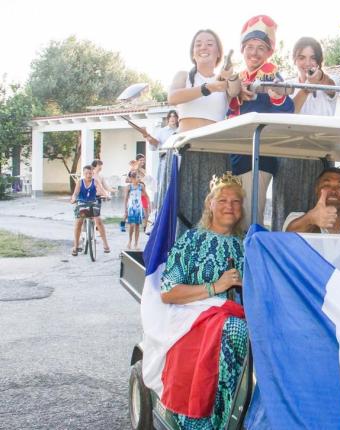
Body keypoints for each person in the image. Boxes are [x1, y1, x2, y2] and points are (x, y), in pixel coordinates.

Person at [160, 172, 246, 430]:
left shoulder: (245, 245)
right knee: (236, 331)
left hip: (232, 312)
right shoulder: (191, 241)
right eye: (222, 200)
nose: (229, 206)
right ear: (210, 204)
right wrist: (217, 286)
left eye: (236, 201)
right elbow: (168, 293)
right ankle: (214, 421)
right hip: (191, 317)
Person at [167, 29, 242, 230]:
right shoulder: (184, 76)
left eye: (210, 43)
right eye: (198, 43)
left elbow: (235, 90)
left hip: (215, 152)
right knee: (184, 210)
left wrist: (227, 76)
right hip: (187, 150)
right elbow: (173, 97)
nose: (203, 47)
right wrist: (208, 88)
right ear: (192, 52)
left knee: (216, 210)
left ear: (219, 52)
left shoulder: (224, 80)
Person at [227, 15, 294, 228]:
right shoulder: (239, 77)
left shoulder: (271, 76)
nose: (254, 52)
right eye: (250, 47)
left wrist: (276, 93)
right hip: (235, 155)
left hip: (258, 155)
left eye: (260, 48)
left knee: (248, 217)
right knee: (232, 215)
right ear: (242, 49)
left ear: (268, 52)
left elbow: (287, 109)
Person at [272, 36, 340, 231]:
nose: (307, 63)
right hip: (290, 156)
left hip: (321, 156)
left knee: (321, 213)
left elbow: (328, 86)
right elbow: (289, 113)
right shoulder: (287, 86)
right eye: (302, 57)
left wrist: (316, 79)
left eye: (312, 58)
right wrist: (306, 88)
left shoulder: (333, 81)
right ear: (294, 60)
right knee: (288, 212)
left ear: (319, 62)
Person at [283, 166, 340, 235]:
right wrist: (310, 219)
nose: (333, 191)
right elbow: (286, 237)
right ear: (317, 190)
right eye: (326, 185)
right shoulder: (296, 218)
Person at [70, 165, 110, 256]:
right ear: (83, 174)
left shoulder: (95, 181)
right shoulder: (80, 182)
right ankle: (75, 246)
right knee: (78, 222)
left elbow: (101, 190)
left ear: (93, 173)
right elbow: (75, 194)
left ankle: (105, 244)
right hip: (82, 203)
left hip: (93, 203)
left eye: (90, 173)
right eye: (86, 173)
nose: (88, 175)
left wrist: (106, 196)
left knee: (99, 220)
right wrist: (73, 199)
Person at [123, 170, 149, 249]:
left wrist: (149, 206)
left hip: (138, 208)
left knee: (137, 226)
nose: (139, 178)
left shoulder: (141, 186)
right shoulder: (129, 187)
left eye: (139, 177)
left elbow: (146, 196)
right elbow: (126, 199)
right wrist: (125, 210)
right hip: (131, 208)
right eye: (137, 177)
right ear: (132, 178)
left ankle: (136, 243)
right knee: (131, 225)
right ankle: (130, 241)